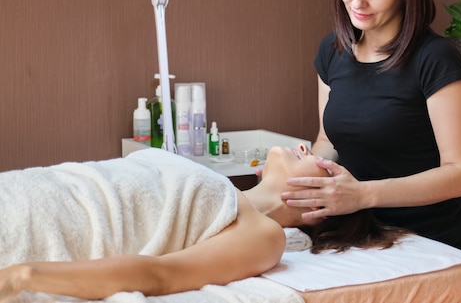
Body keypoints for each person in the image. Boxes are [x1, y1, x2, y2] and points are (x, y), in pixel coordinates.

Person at [280, 0, 461, 267]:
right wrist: (302, 172)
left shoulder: (436, 60)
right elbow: (328, 142)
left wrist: (363, 194)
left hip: (435, 242)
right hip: (362, 240)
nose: (357, 1)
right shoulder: (332, 52)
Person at [0, 145, 406, 302]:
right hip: (36, 190)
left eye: (324, 163)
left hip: (41, 228)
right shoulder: (224, 191)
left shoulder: (262, 236)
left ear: (319, 207)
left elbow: (159, 275)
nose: (307, 147)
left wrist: (23, 275)